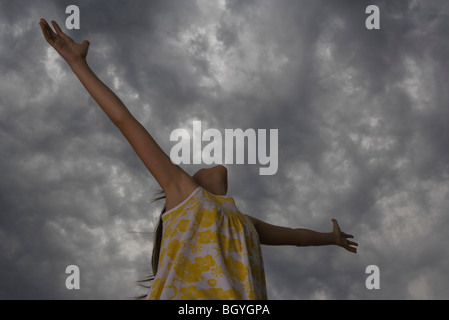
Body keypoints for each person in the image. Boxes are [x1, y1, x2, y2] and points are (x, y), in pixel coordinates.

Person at [39, 19, 358, 300]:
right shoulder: (183, 193)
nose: (208, 166)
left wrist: (330, 238)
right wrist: (78, 64)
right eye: (197, 169)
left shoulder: (247, 223)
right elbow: (125, 120)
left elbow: (298, 238)